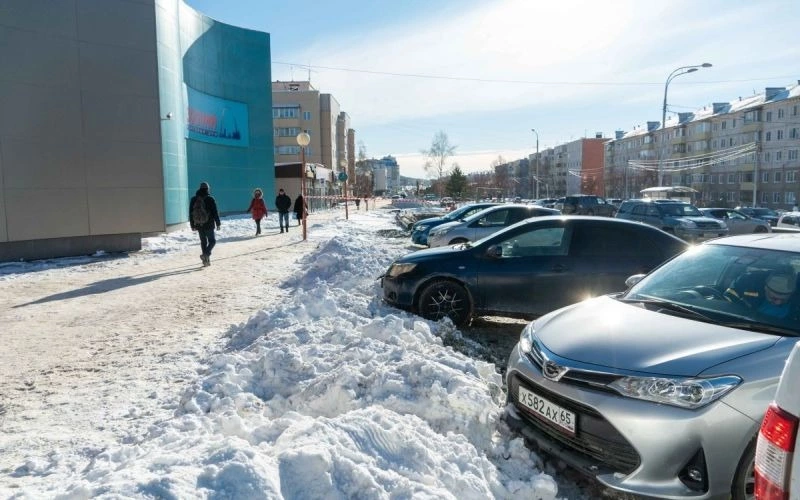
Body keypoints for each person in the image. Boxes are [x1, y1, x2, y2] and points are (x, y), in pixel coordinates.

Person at [727, 267, 797, 319]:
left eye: (784, 300)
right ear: (765, 288)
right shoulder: (746, 283)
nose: (778, 303)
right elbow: (728, 301)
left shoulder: (797, 300)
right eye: (774, 298)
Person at [189, 181, 221, 267]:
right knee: (212, 241)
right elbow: (215, 212)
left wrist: (192, 225)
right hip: (209, 224)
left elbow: (191, 213)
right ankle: (205, 255)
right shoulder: (210, 199)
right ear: (207, 189)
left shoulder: (193, 199)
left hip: (199, 224)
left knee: (203, 242)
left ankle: (205, 261)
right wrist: (218, 223)